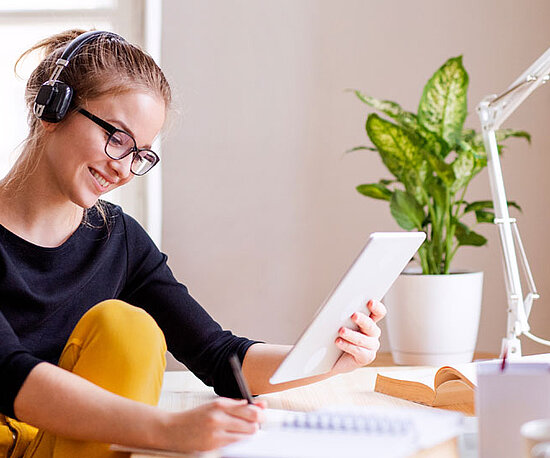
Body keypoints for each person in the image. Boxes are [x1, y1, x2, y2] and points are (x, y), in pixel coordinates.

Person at [0, 29, 386, 457]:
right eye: (117, 137)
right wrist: (165, 429)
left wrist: (326, 355)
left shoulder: (118, 238)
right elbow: (8, 373)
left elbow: (219, 355)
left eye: (140, 153)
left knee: (128, 329)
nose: (124, 168)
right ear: (52, 107)